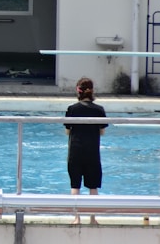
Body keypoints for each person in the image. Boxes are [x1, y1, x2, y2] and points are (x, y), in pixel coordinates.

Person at [64, 77, 108, 225]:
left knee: (75, 185)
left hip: (75, 152)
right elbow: (102, 131)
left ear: (78, 91)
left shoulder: (72, 109)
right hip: (92, 153)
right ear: (92, 91)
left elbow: (67, 131)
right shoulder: (99, 110)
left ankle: (77, 218)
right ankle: (93, 219)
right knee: (93, 186)